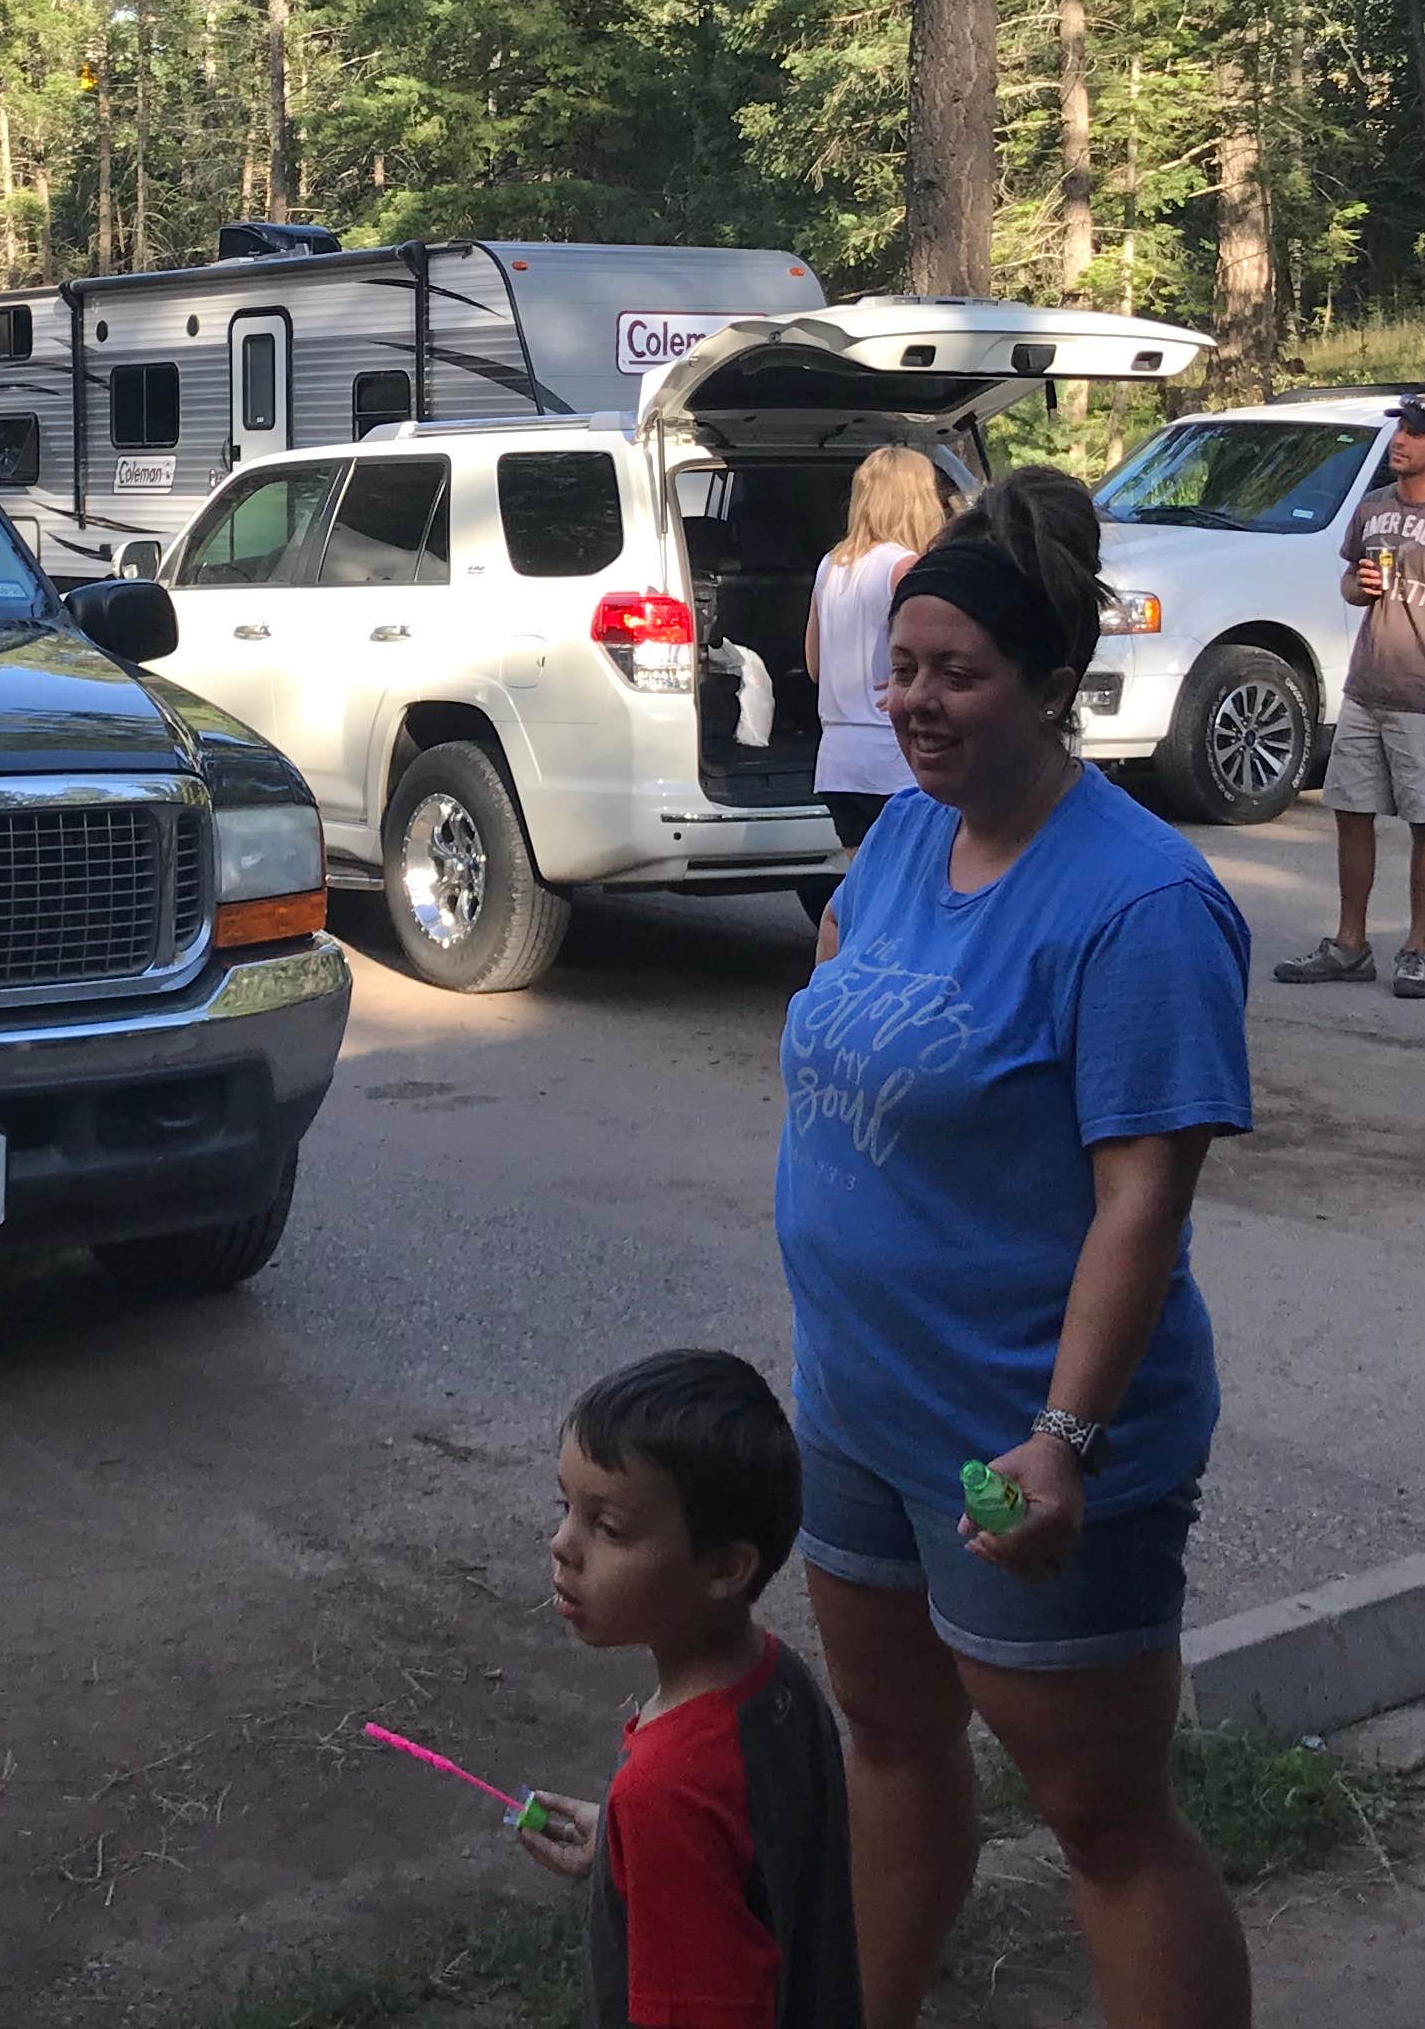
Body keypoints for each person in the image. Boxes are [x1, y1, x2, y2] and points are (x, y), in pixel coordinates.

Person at [775, 469, 1255, 2029]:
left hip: (1024, 1437)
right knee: (890, 1742)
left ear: (1056, 688)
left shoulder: (1142, 907)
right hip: (860, 1408)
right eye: (901, 667)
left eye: (957, 675)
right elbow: (845, 985)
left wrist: (1065, 1441)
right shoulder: (910, 838)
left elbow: (1143, 1201)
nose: (915, 702)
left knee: (1103, 1823)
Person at [515, 1348, 862, 2029]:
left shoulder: (668, 1788)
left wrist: (656, 1833)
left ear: (725, 1568)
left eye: (608, 1527)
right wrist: (632, 1861)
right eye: (567, 1508)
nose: (562, 1543)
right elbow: (759, 1863)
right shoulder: (778, 1681)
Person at [1272, 391, 1425, 1003]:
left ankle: (1416, 951)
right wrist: (1359, 585)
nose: (1401, 440)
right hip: (1366, 691)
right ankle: (1350, 945)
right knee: (1351, 812)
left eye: (1417, 433)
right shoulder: (1372, 508)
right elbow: (1350, 581)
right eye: (1400, 429)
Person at [799, 447, 952, 923]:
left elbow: (814, 665)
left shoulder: (831, 566)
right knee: (913, 896)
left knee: (866, 892)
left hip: (839, 761)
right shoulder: (904, 567)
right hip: (894, 759)